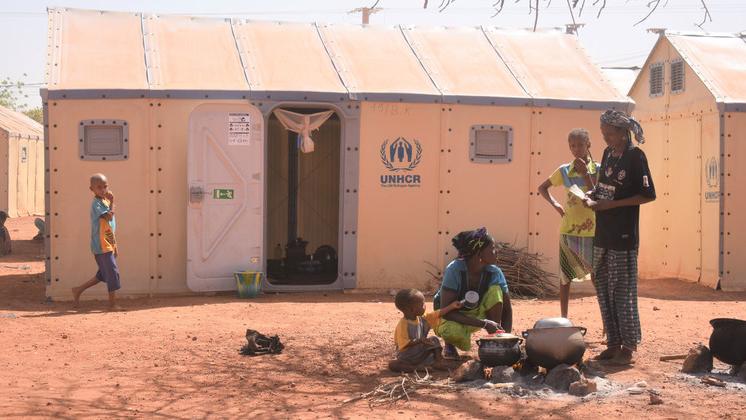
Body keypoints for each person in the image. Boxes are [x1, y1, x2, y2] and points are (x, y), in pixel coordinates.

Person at [583, 110, 656, 365]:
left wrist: (611, 205)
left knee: (622, 291)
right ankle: (613, 343)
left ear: (623, 133)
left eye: (610, 134)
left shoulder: (636, 157)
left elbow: (647, 195)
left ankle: (628, 346)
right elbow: (605, 186)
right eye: (603, 134)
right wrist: (592, 196)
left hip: (623, 236)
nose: (606, 138)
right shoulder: (607, 154)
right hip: (603, 232)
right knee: (603, 287)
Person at [538, 128, 599, 318]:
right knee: (565, 277)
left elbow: (598, 195)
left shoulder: (599, 169)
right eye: (573, 145)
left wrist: (585, 174)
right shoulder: (564, 170)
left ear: (588, 145)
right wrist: (556, 205)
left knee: (598, 277)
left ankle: (607, 323)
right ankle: (564, 319)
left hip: (593, 231)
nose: (576, 149)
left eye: (580, 145)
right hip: (569, 230)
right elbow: (543, 188)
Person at [433, 227, 512, 359]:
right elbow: (446, 312)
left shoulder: (494, 273)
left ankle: (494, 339)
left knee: (495, 291)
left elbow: (507, 310)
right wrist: (484, 324)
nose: (496, 251)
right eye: (492, 248)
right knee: (451, 331)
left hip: (476, 314)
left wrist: (506, 340)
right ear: (479, 254)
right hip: (448, 316)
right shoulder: (454, 270)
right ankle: (449, 344)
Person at [72, 173, 122, 310]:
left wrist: (114, 245)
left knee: (103, 274)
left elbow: (109, 227)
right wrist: (113, 202)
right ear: (92, 189)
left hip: (107, 243)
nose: (103, 190)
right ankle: (112, 305)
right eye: (99, 187)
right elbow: (109, 217)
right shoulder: (97, 204)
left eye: (105, 186)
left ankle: (78, 290)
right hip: (101, 245)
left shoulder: (104, 201)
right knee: (112, 273)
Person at [389, 288, 462, 372]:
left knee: (433, 339)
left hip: (421, 354)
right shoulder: (403, 324)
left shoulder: (423, 318)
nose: (425, 305)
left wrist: (451, 306)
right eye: (422, 304)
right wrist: (420, 340)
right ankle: (416, 368)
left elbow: (437, 313)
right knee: (393, 365)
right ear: (411, 309)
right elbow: (404, 344)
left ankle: (438, 361)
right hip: (407, 357)